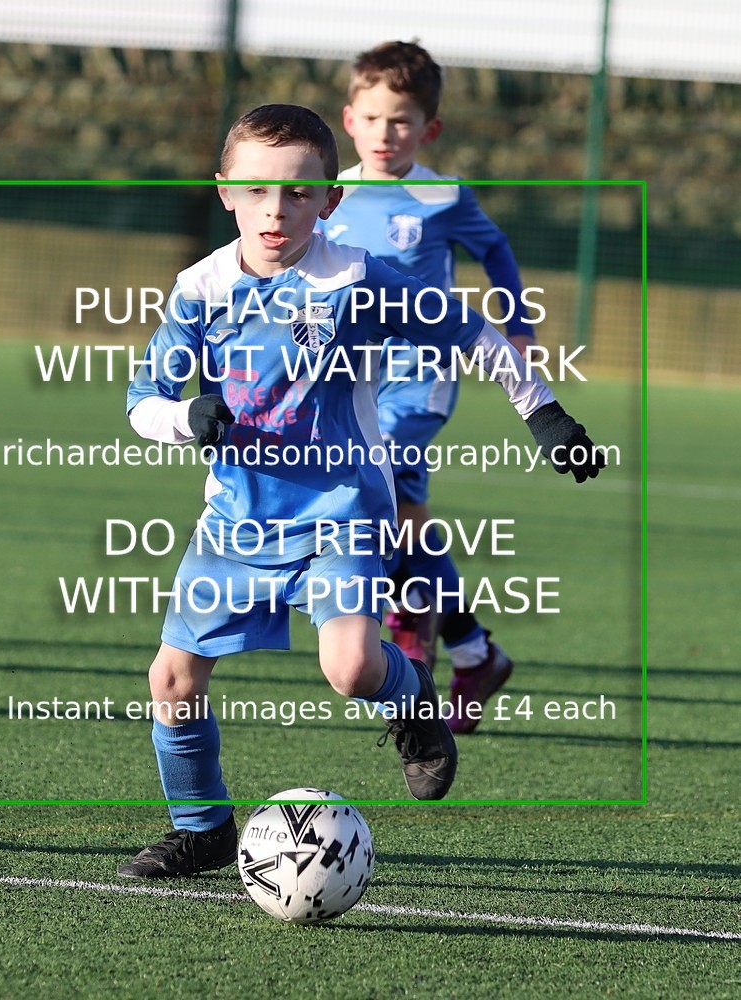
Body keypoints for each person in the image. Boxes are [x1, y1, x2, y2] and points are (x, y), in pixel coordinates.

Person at [118, 103, 603, 880]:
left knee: (349, 667)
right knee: (171, 678)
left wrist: (543, 411)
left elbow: (469, 330)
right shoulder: (198, 289)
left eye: (301, 193)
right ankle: (203, 828)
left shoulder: (354, 278)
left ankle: (415, 713)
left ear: (331, 199)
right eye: (258, 190)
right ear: (225, 191)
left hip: (343, 507)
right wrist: (185, 417)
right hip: (239, 516)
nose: (277, 210)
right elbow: (142, 399)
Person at [323, 40, 536, 733]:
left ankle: (410, 628)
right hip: (353, 384)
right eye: (374, 118)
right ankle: (473, 652)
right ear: (350, 118)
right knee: (407, 516)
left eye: (403, 121)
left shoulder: (443, 197)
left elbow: (497, 249)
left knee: (377, 484)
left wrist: (518, 322)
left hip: (421, 380)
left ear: (429, 128)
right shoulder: (331, 196)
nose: (387, 134)